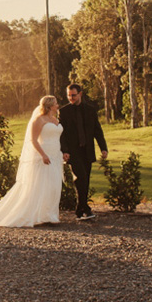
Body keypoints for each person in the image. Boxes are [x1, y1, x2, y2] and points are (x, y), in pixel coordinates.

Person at [0, 95, 63, 228]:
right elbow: (33, 140)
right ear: (49, 105)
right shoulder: (38, 120)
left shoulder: (55, 119)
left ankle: (50, 215)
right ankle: (40, 216)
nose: (57, 105)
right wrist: (43, 155)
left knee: (53, 186)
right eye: (55, 103)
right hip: (44, 157)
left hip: (56, 155)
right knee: (41, 185)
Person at [59, 83, 108, 220]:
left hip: (87, 151)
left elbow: (98, 131)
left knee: (85, 180)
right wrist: (64, 151)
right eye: (69, 96)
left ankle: (80, 209)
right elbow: (61, 134)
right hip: (73, 152)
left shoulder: (91, 110)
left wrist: (103, 148)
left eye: (73, 95)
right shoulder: (64, 112)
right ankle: (85, 208)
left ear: (80, 94)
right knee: (81, 178)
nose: (71, 98)